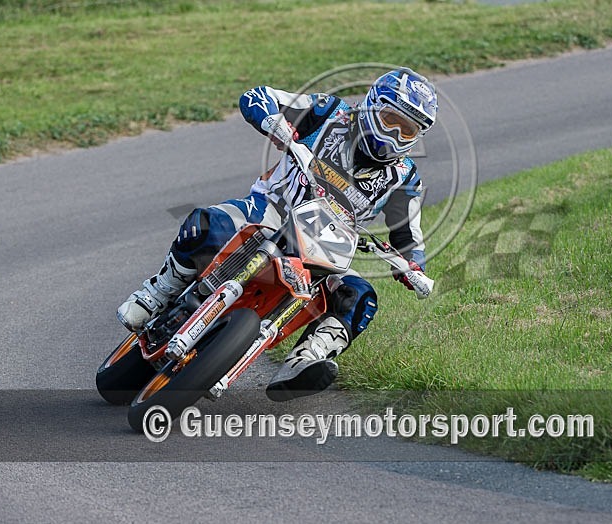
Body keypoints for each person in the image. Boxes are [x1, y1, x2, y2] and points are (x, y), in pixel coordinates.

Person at [117, 68, 438, 400]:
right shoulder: (330, 113)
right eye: (390, 119)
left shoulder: (404, 176)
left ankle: (307, 360)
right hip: (270, 210)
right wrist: (278, 127)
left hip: (325, 249)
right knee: (210, 224)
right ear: (372, 106)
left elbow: (409, 234)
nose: (395, 135)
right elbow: (258, 97)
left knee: (360, 296)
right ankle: (157, 291)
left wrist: (414, 269)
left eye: (407, 130)